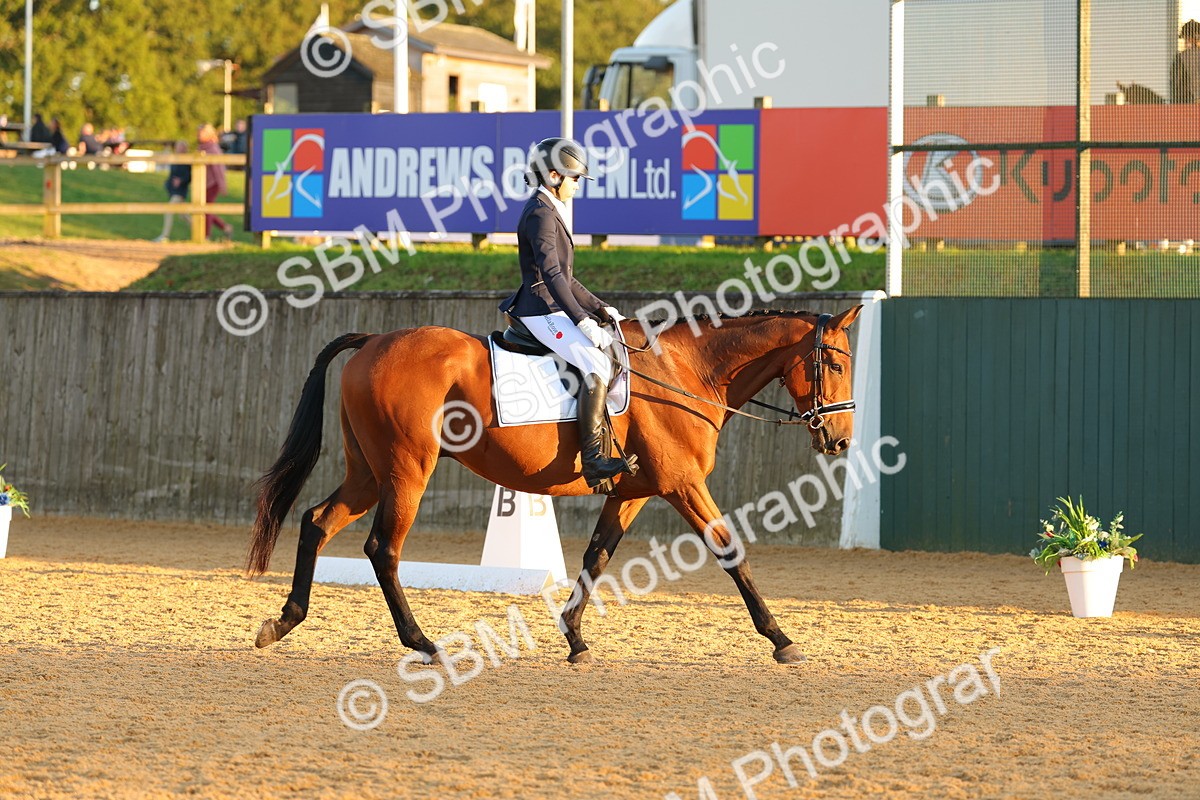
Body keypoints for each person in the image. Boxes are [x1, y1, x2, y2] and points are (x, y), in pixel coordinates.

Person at [498, 137, 634, 489]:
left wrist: (600, 308)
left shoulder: (550, 209)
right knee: (597, 363)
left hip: (552, 305)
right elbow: (552, 275)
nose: (577, 186)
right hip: (539, 309)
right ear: (555, 175)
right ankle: (593, 460)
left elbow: (568, 278)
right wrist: (583, 321)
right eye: (575, 179)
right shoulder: (541, 213)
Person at [197, 123, 233, 241]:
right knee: (205, 209)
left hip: (212, 183)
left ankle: (206, 235)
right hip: (203, 183)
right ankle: (225, 227)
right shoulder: (201, 148)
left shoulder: (212, 148)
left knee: (206, 209)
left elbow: (218, 169)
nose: (198, 134)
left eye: (201, 132)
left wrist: (222, 184)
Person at [152, 141, 191, 243]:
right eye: (177, 146)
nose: (178, 148)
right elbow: (172, 175)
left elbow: (189, 176)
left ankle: (165, 236)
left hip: (180, 191)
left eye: (180, 147)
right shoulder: (175, 160)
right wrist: (167, 184)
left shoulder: (187, 160)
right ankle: (201, 234)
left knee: (169, 210)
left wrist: (181, 180)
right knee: (184, 215)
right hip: (174, 191)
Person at [1172, 19, 1200, 104]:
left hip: (1188, 103)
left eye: (1186, 38)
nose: (1185, 41)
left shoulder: (1182, 57)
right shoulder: (1182, 57)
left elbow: (1176, 82)